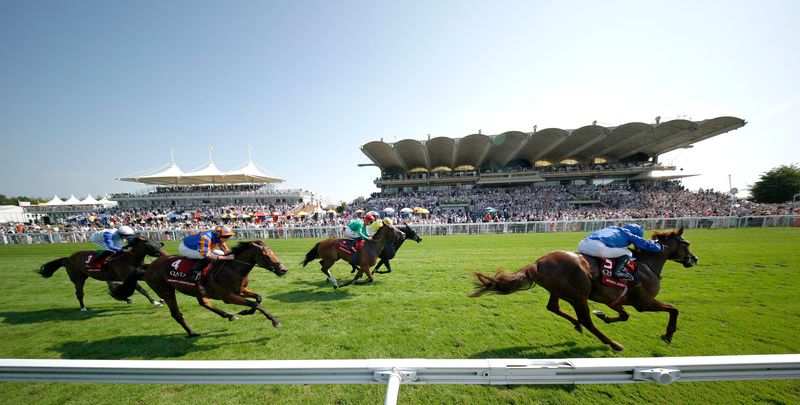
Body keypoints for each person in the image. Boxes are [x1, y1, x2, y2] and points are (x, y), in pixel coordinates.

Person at [577, 223, 662, 281]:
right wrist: (658, 246)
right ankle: (618, 272)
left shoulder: (612, 227)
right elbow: (644, 244)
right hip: (596, 247)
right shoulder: (629, 234)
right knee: (628, 253)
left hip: (581, 244)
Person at [179, 225, 235, 295]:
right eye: (226, 237)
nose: (227, 238)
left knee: (220, 253)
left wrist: (228, 252)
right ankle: (194, 273)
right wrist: (226, 258)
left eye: (229, 236)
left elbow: (223, 245)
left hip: (202, 247)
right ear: (218, 236)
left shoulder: (218, 236)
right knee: (208, 258)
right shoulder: (206, 237)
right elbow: (206, 254)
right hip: (187, 248)